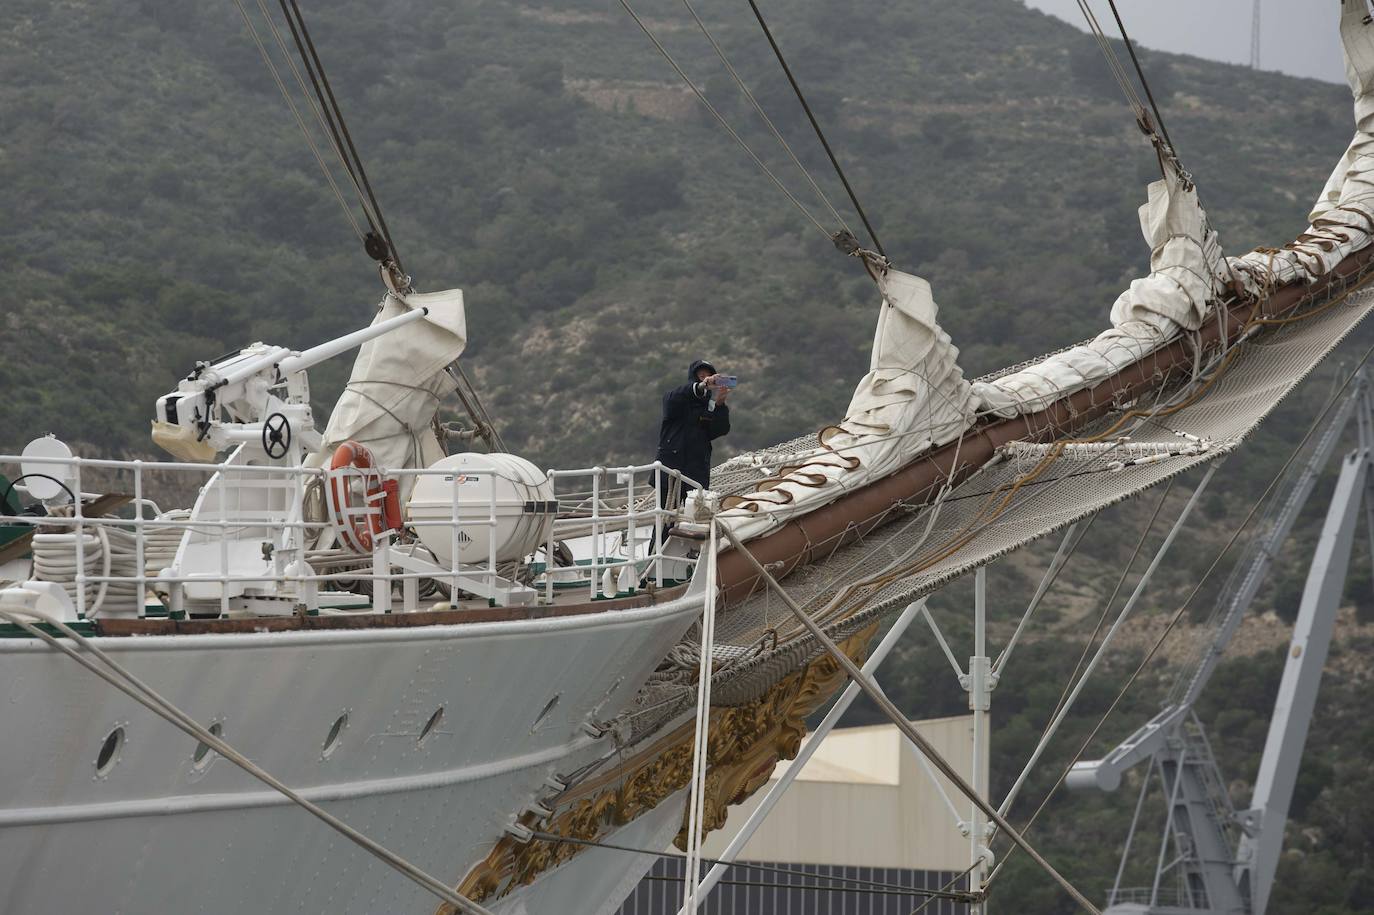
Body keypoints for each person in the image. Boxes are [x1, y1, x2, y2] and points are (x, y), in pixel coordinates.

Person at [655, 359, 731, 512]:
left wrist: (720, 404)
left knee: (697, 521)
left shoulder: (710, 406)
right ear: (693, 377)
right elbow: (670, 402)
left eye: (708, 376)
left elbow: (719, 430)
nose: (705, 379)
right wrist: (701, 386)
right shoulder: (676, 398)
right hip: (671, 470)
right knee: (665, 520)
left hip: (697, 472)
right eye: (701, 375)